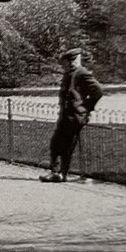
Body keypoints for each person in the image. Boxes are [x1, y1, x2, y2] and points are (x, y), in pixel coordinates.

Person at [41, 48, 103, 183]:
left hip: (75, 117)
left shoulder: (82, 73)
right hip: (66, 115)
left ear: (75, 60)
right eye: (65, 63)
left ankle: (61, 174)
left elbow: (98, 91)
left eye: (69, 62)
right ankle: (55, 171)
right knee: (55, 143)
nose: (65, 66)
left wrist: (86, 107)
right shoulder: (69, 74)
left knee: (66, 146)